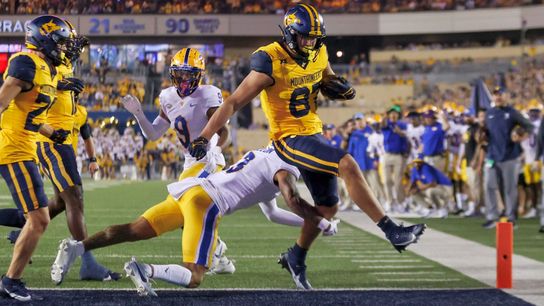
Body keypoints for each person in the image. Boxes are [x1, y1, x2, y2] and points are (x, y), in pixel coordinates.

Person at [186, 3, 425, 289]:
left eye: (315, 38)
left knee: (327, 208)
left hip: (314, 132)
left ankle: (296, 256)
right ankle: (391, 230)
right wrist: (204, 136)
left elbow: (328, 80)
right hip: (288, 138)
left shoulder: (319, 52)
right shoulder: (270, 60)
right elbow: (234, 101)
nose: (310, 44)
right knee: (346, 163)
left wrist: (342, 89)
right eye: (305, 38)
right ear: (290, 33)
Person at [51, 147, 338, 294]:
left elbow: (273, 212)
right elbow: (294, 200)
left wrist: (308, 224)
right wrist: (321, 222)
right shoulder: (285, 165)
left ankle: (76, 247)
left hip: (189, 193)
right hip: (207, 203)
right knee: (196, 276)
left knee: (132, 230)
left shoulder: (265, 155)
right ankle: (144, 269)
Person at [120, 47, 233, 272]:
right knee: (186, 213)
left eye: (189, 74)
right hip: (189, 163)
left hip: (209, 161)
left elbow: (225, 133)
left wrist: (215, 150)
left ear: (199, 74)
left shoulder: (208, 94)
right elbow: (153, 134)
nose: (183, 79)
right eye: (180, 73)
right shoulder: (167, 96)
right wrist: (139, 114)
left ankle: (212, 256)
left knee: (190, 207)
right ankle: (219, 253)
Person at [0, 15, 72, 301]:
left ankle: (10, 279)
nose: (64, 48)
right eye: (61, 42)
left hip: (25, 146)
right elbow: (2, 102)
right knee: (39, 219)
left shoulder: (49, 70)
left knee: (31, 216)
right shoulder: (26, 63)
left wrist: (50, 132)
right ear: (45, 38)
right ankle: (10, 280)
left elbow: (30, 114)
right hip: (12, 149)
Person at [482, 87, 534, 228]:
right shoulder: (489, 113)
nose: (498, 97)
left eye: (500, 95)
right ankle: (492, 217)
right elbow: (486, 132)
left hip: (510, 156)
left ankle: (511, 217)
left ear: (506, 96)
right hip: (492, 156)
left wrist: (521, 134)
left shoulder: (513, 112)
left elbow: (529, 127)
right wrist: (482, 136)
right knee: (488, 185)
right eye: (495, 94)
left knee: (510, 188)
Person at [381, 105, 409, 212]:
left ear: (398, 115)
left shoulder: (402, 124)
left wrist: (400, 132)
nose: (393, 115)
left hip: (398, 155)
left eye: (395, 113)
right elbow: (382, 124)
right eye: (391, 113)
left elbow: (407, 135)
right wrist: (384, 116)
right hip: (387, 155)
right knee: (387, 180)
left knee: (397, 181)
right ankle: (389, 202)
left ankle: (400, 202)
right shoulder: (386, 125)